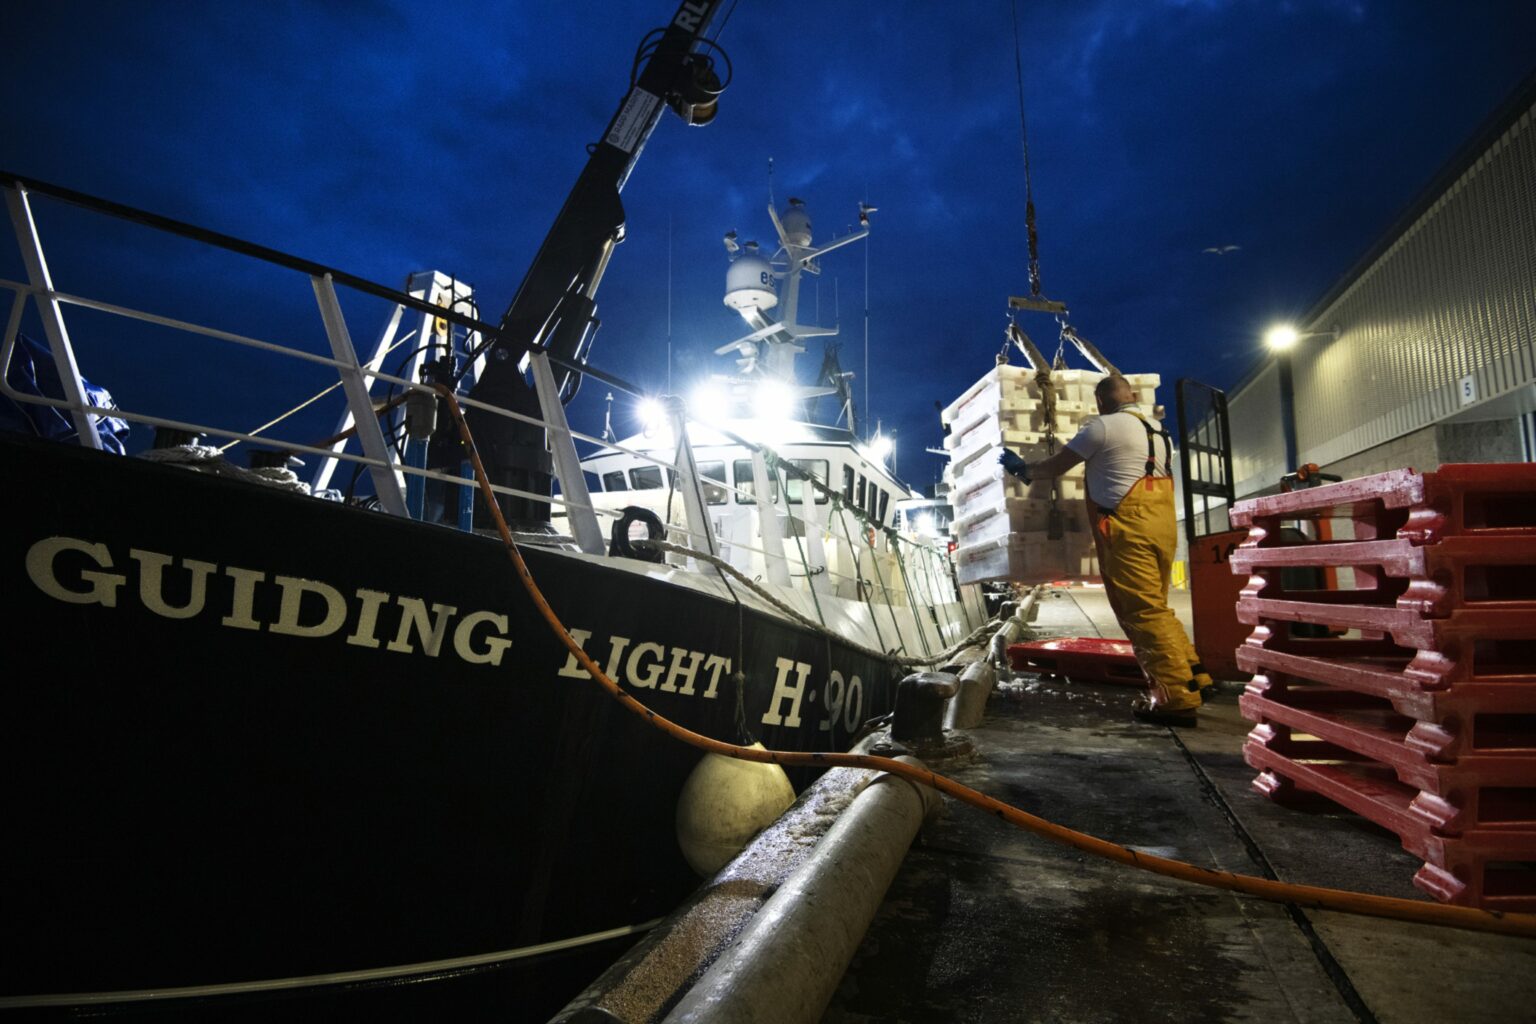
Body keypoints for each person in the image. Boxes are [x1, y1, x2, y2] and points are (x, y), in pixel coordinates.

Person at [999, 374, 1213, 725]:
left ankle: (1175, 699)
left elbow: (1056, 467)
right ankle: (1193, 678)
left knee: (1141, 614)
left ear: (1100, 401)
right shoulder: (1158, 431)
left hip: (1129, 530)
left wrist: (1022, 469)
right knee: (1155, 609)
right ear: (1131, 396)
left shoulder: (1101, 428)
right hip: (1161, 526)